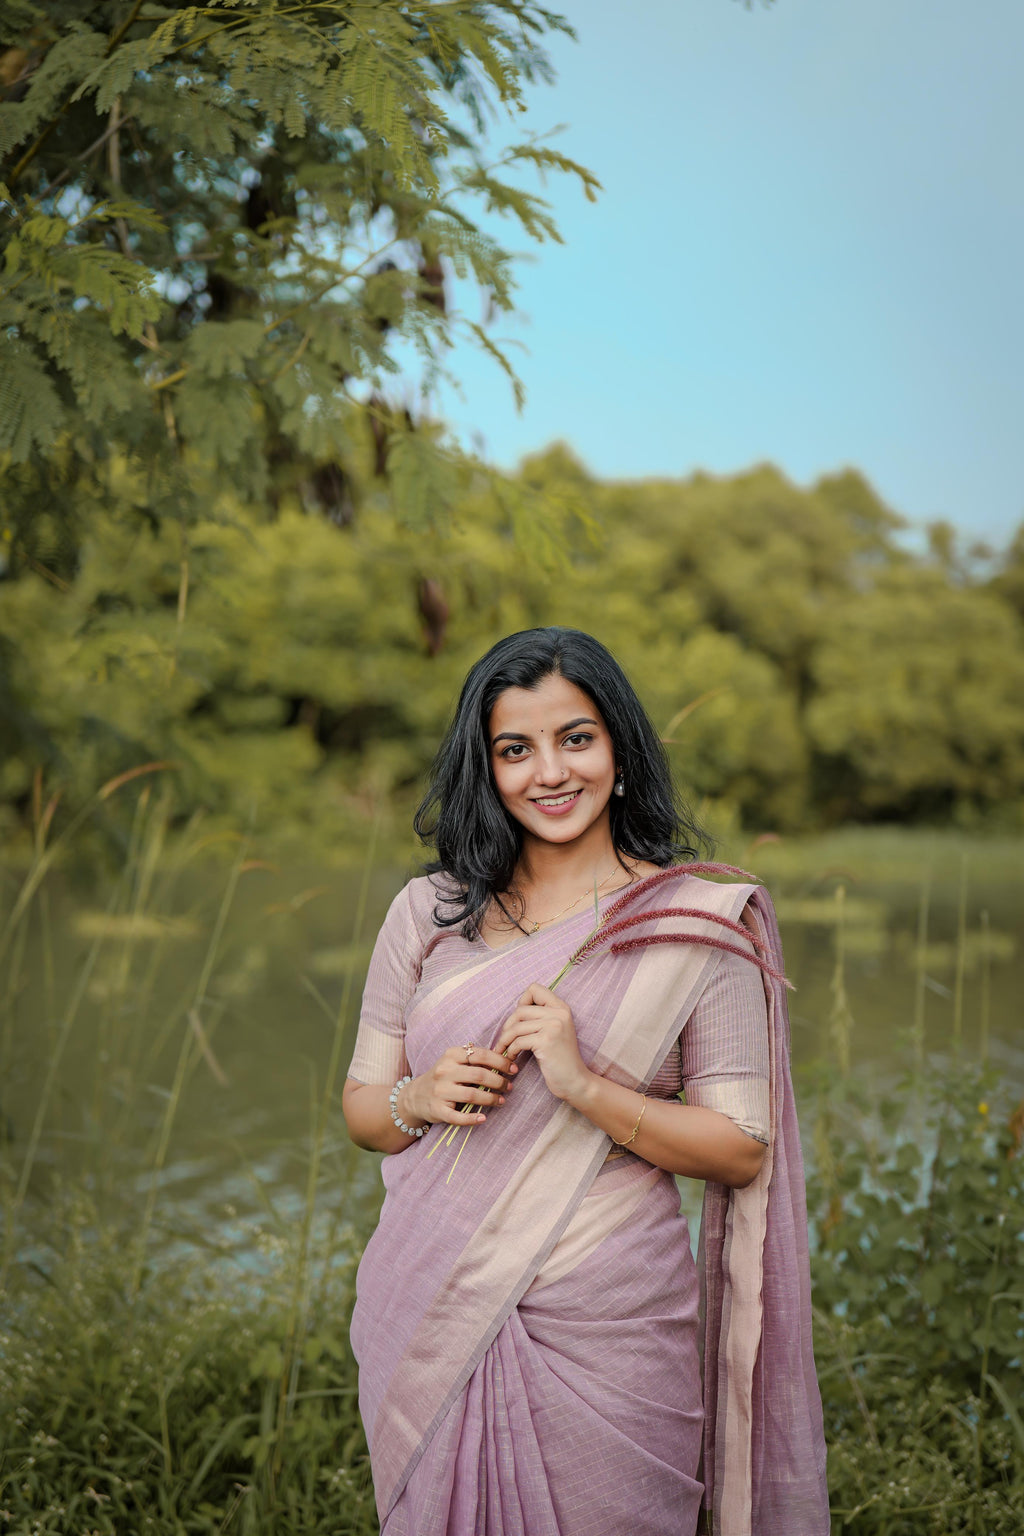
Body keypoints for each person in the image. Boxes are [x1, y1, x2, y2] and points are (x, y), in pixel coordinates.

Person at [342, 627, 828, 1536]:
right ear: (484, 767)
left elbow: (739, 1149)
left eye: (577, 737)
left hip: (611, 1329)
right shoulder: (428, 914)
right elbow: (364, 1110)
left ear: (619, 745)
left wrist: (586, 1084)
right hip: (427, 1309)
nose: (549, 772)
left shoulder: (697, 922)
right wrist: (419, 1096)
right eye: (514, 749)